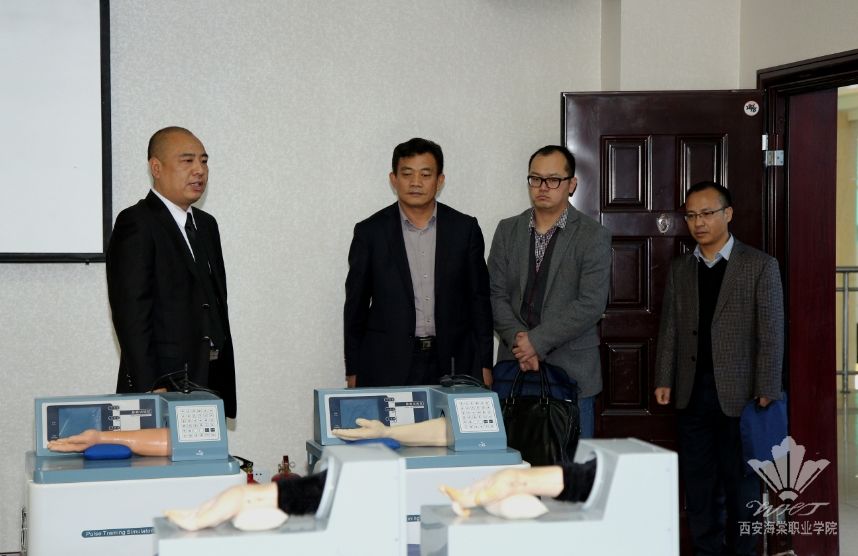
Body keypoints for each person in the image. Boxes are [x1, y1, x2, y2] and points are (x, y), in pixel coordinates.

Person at [161, 417, 596, 531]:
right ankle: (255, 498)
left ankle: (255, 498)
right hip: (532, 481)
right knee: (352, 481)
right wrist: (388, 431)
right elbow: (451, 428)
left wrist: (518, 481)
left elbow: (586, 481)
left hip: (532, 483)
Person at [654, 181, 784, 556]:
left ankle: (744, 551)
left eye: (707, 213)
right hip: (692, 391)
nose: (698, 222)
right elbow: (670, 328)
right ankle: (706, 550)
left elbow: (771, 332)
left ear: (727, 214)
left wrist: (767, 386)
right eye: (691, 215)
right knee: (699, 483)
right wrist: (664, 378)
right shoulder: (682, 269)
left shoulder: (759, 265)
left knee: (741, 482)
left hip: (742, 396)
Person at [106, 127, 237, 418]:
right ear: (156, 168)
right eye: (187, 161)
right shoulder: (137, 222)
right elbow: (131, 315)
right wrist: (151, 387)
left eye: (204, 161)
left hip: (207, 379)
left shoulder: (206, 225)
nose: (199, 170)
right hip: (162, 385)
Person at [344, 138, 493, 388]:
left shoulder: (464, 229)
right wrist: (353, 369)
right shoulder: (370, 232)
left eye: (425, 174)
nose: (415, 182)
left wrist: (485, 364)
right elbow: (355, 307)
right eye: (407, 174)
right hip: (387, 362)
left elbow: (480, 302)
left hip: (455, 360)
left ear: (440, 180)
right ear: (394, 179)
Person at [487, 145, 611, 438]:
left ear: (571, 184)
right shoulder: (507, 230)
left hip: (573, 374)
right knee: (514, 461)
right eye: (536, 179)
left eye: (553, 179)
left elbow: (591, 303)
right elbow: (494, 294)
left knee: (571, 463)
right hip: (515, 369)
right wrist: (521, 342)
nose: (543, 187)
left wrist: (536, 342)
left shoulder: (593, 235)